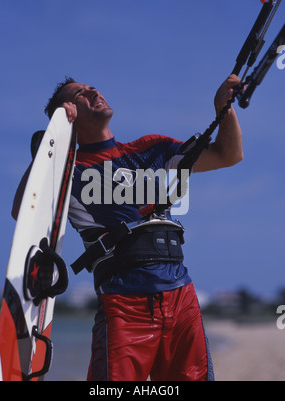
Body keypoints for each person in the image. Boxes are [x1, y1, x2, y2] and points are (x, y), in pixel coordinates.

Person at [12, 75, 243, 381]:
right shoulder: (69, 171)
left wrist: (222, 108)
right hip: (123, 305)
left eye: (90, 87)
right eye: (79, 94)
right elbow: (23, 210)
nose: (93, 90)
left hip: (181, 296)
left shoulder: (152, 149)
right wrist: (52, 145)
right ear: (68, 113)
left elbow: (229, 155)